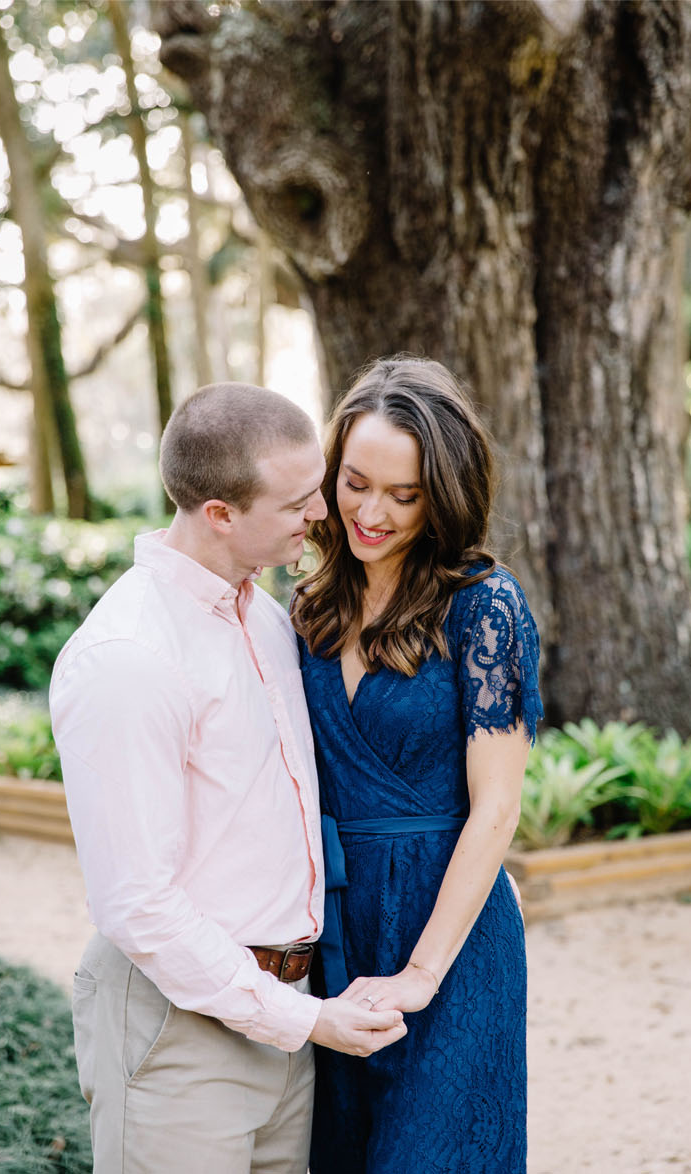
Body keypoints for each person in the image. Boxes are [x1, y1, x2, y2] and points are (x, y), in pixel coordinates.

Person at [50, 382, 408, 1174]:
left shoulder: (267, 619)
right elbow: (136, 903)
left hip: (287, 1013)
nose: (322, 513)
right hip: (178, 1031)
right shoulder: (129, 659)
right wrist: (303, 1019)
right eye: (296, 503)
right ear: (219, 513)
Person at [289, 356, 539, 1173]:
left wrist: (423, 972)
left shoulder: (484, 606)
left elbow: (496, 810)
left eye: (405, 495)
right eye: (356, 483)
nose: (372, 512)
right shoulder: (309, 605)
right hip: (338, 927)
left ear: (445, 495)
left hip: (453, 937)